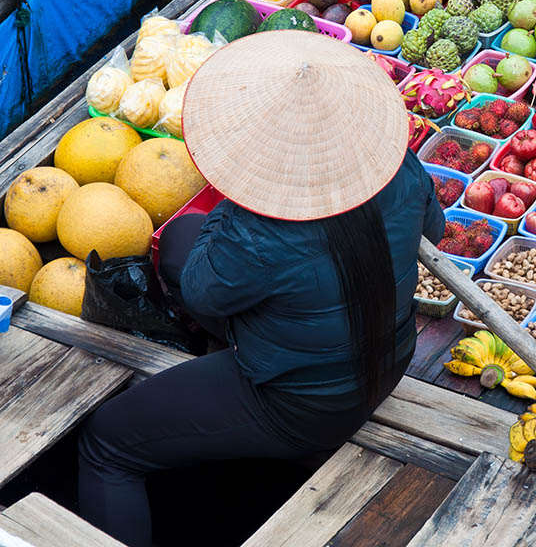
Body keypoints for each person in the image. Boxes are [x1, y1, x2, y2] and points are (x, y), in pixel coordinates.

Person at [78, 31, 445, 547]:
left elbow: (203, 294)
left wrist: (237, 205)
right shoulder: (397, 166)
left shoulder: (260, 229)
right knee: (185, 239)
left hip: (302, 401)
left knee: (106, 445)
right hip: (390, 355)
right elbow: (434, 230)